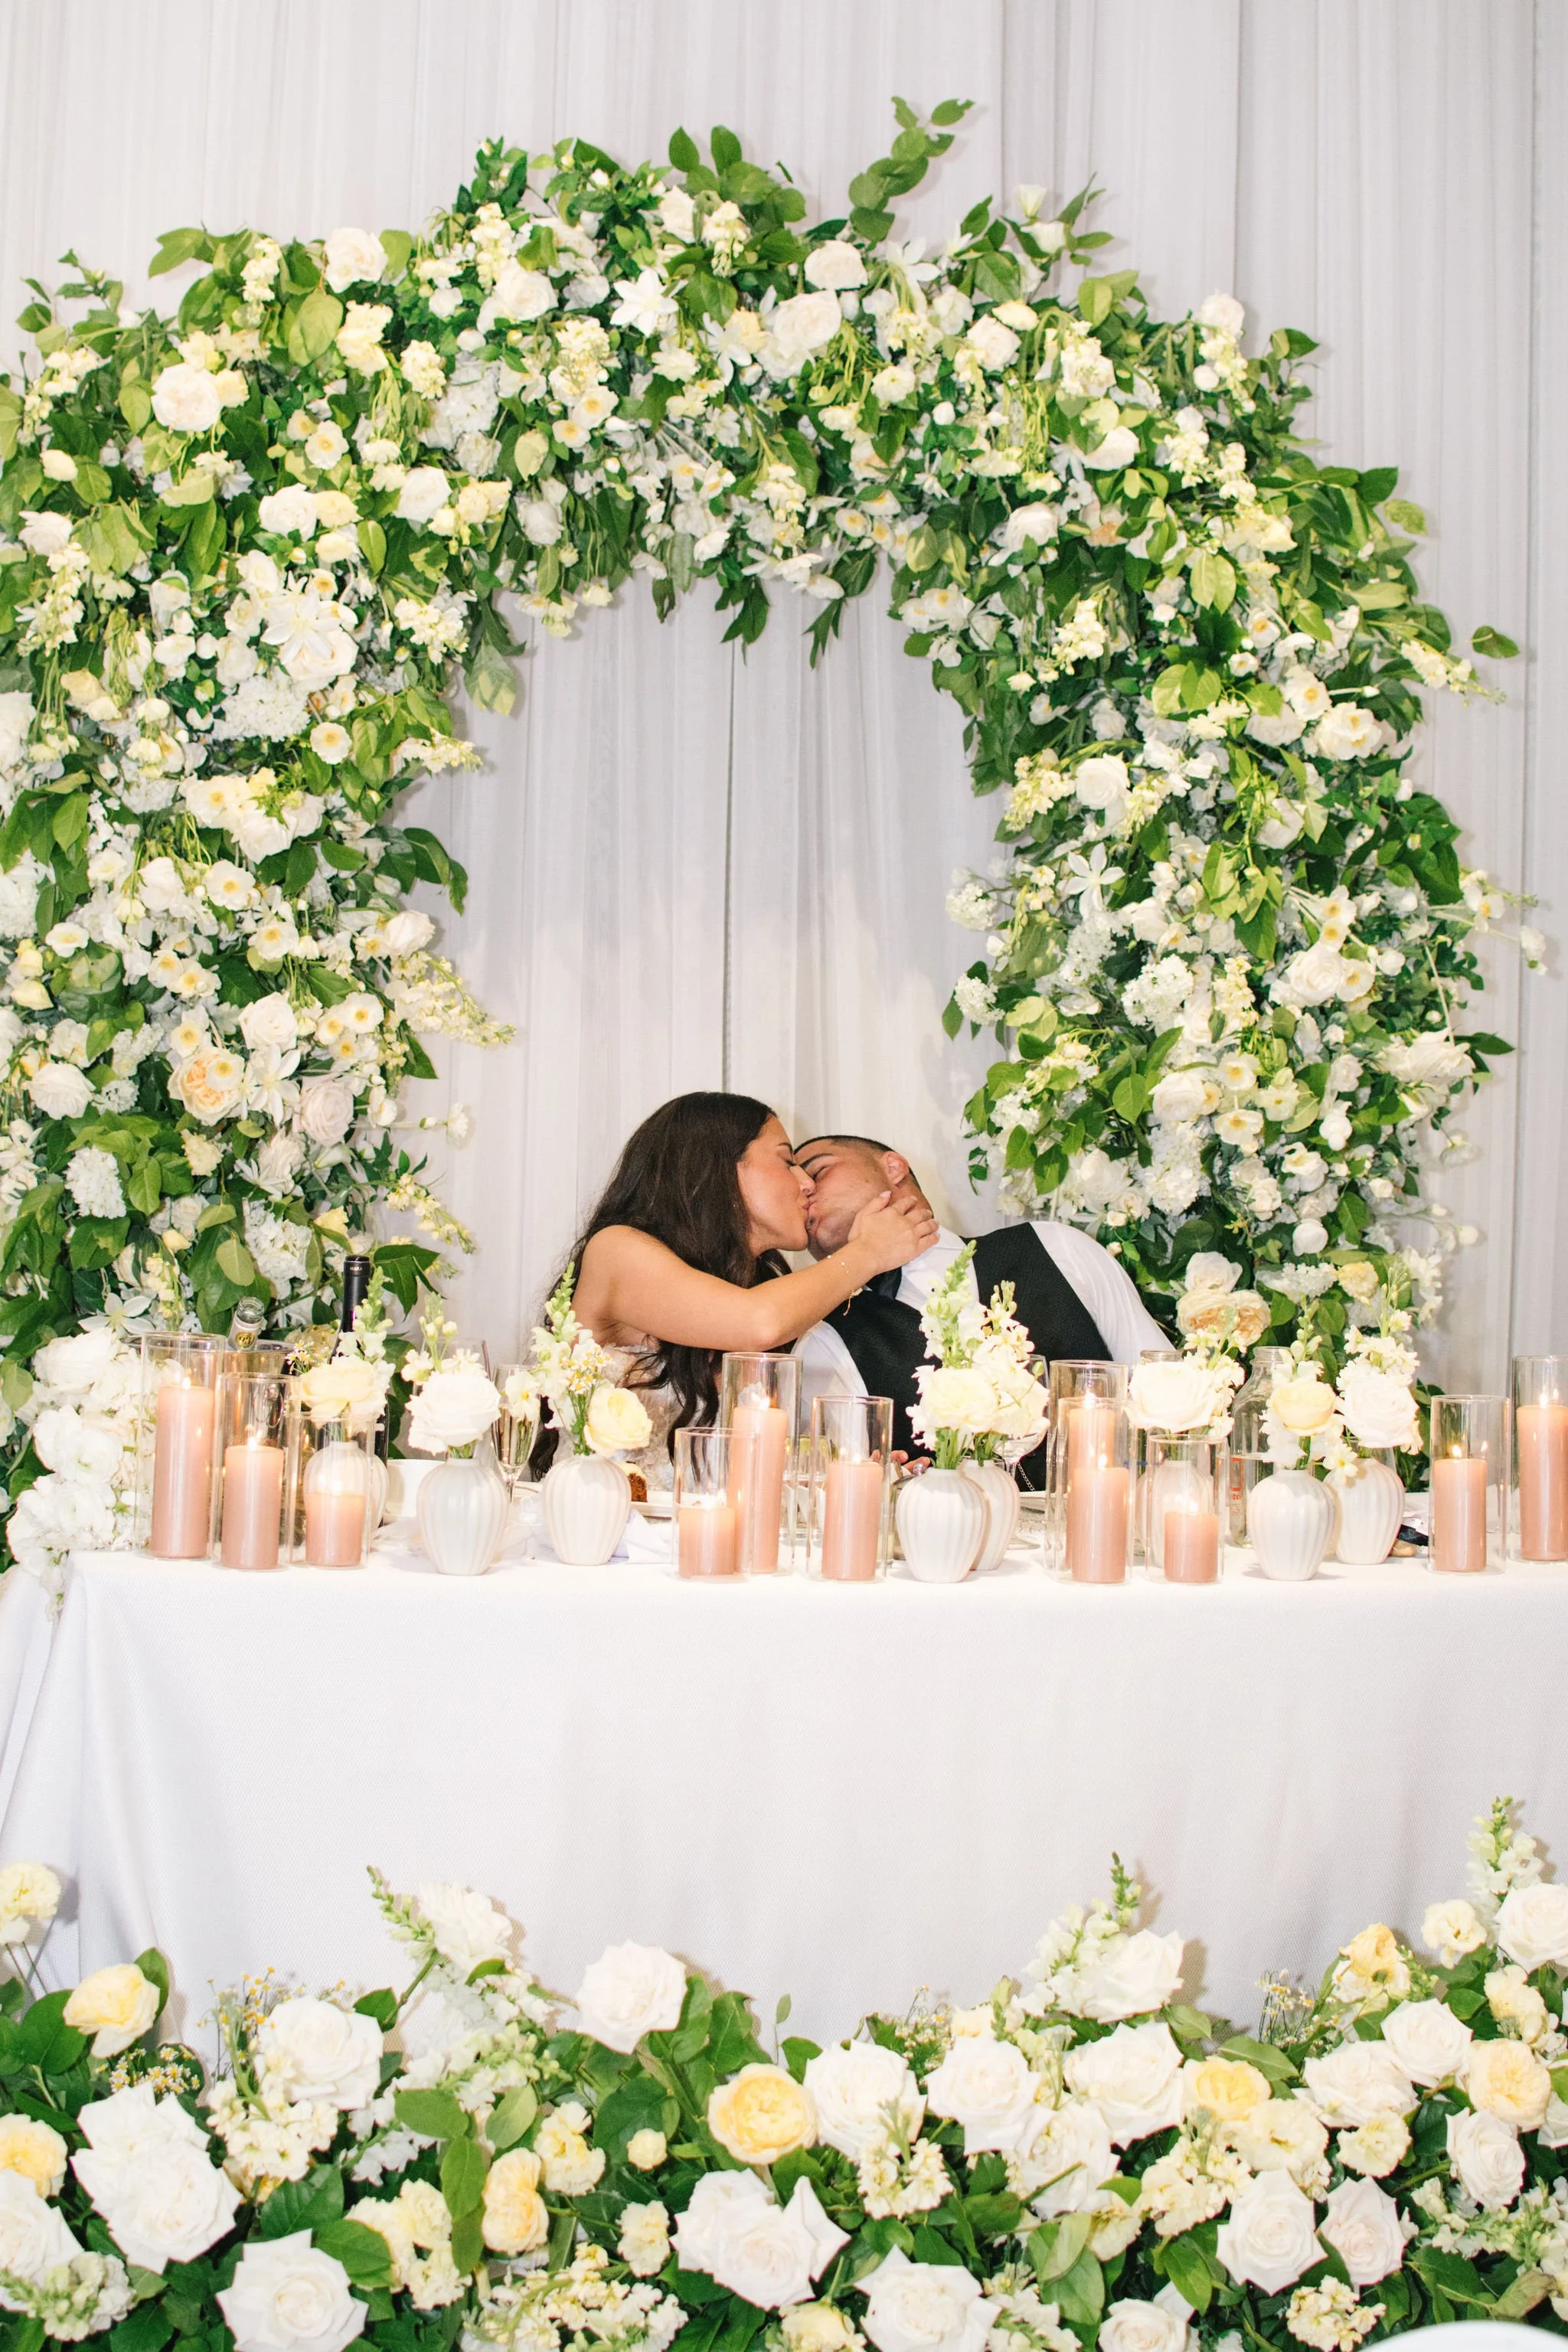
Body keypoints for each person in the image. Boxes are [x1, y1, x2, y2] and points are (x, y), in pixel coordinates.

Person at [552, 1093, 938, 1488]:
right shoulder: (617, 1249)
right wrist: (868, 1253)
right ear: (717, 1165)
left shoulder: (767, 1288)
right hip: (609, 1534)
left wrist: (844, 1478)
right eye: (788, 1161)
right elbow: (759, 1322)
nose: (806, 1184)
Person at [792, 1134, 1170, 1486]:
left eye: (817, 1170)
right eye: (794, 1187)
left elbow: (1167, 1402)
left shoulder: (1058, 1249)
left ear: (893, 1167)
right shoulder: (825, 1342)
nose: (804, 1188)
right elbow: (841, 1499)